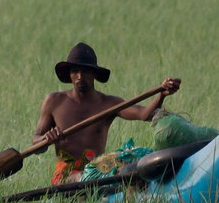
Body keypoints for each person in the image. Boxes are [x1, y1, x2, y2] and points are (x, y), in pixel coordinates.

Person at [33, 42, 181, 184]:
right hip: (65, 176)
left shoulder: (108, 104)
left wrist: (161, 94)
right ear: (69, 74)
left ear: (94, 74)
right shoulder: (54, 101)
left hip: (98, 170)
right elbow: (36, 142)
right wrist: (46, 139)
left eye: (84, 71)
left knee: (134, 157)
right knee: (81, 176)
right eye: (75, 71)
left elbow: (145, 114)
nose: (79, 77)